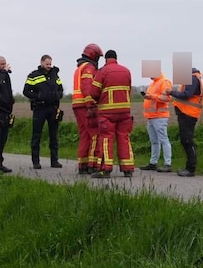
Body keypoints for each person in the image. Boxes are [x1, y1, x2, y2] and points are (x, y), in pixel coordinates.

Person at [89, 49, 135, 177]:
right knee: (124, 138)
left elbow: (93, 92)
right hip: (125, 111)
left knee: (106, 139)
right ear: (116, 58)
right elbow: (129, 89)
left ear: (106, 59)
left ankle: (105, 169)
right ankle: (128, 169)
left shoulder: (103, 71)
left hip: (107, 112)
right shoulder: (126, 71)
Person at [22, 54, 64, 169]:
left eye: (50, 64)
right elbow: (26, 91)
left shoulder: (55, 75)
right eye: (47, 64)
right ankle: (36, 162)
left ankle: (54, 161)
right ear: (41, 63)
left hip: (53, 108)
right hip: (39, 109)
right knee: (37, 136)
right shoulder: (33, 75)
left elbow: (61, 89)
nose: (49, 66)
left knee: (54, 136)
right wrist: (38, 96)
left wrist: (58, 95)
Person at [70, 43, 102, 175]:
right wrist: (91, 105)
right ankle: (92, 164)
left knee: (84, 135)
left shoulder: (80, 67)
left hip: (77, 105)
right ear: (93, 56)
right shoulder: (89, 67)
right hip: (85, 105)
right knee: (94, 134)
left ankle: (82, 164)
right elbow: (87, 87)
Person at [169, 67, 203, 177]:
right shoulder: (192, 78)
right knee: (185, 140)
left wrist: (172, 92)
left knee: (187, 141)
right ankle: (189, 167)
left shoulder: (192, 79)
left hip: (189, 114)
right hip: (186, 113)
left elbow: (186, 94)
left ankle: (191, 168)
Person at [140, 68, 173, 172]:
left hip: (160, 116)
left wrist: (151, 96)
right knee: (154, 141)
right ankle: (153, 163)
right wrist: (148, 97)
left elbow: (167, 98)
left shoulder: (164, 82)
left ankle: (167, 164)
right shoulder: (153, 84)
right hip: (151, 116)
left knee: (163, 139)